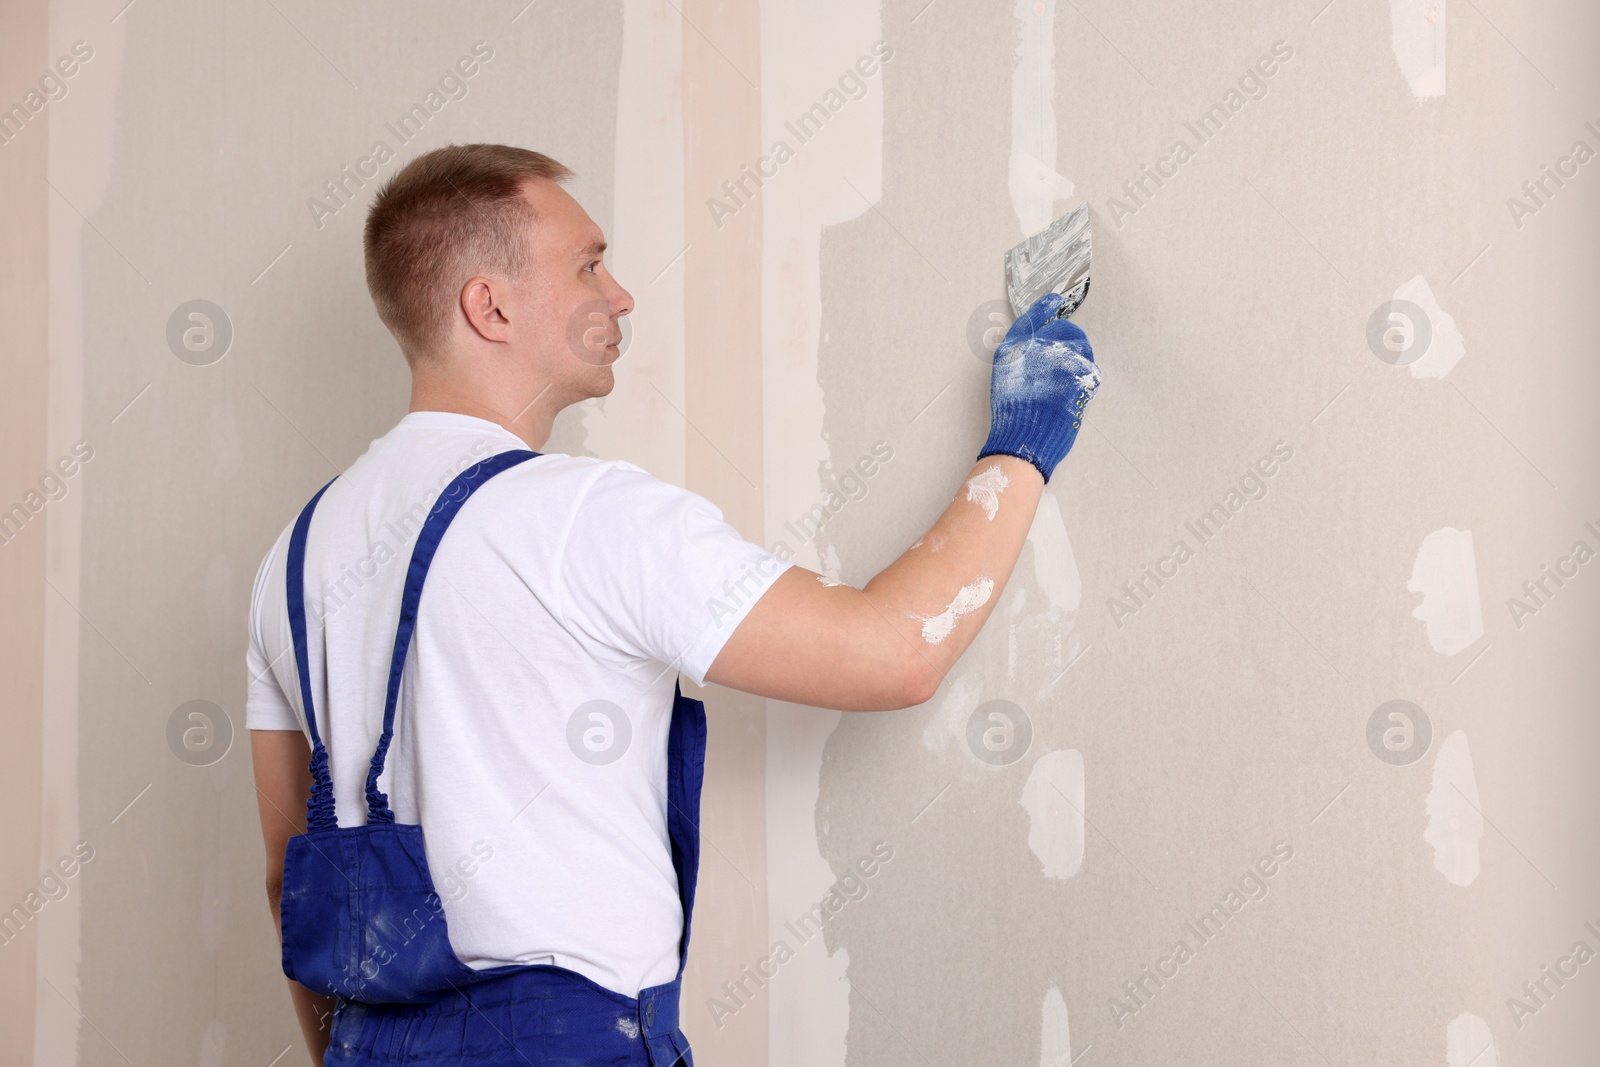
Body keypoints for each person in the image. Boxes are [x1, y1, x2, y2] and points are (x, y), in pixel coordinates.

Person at [246, 143, 1100, 1066]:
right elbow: (895, 651)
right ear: (488, 305)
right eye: (588, 264)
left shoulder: (293, 558)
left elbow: (284, 874)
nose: (620, 295)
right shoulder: (583, 516)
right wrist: (1023, 437)